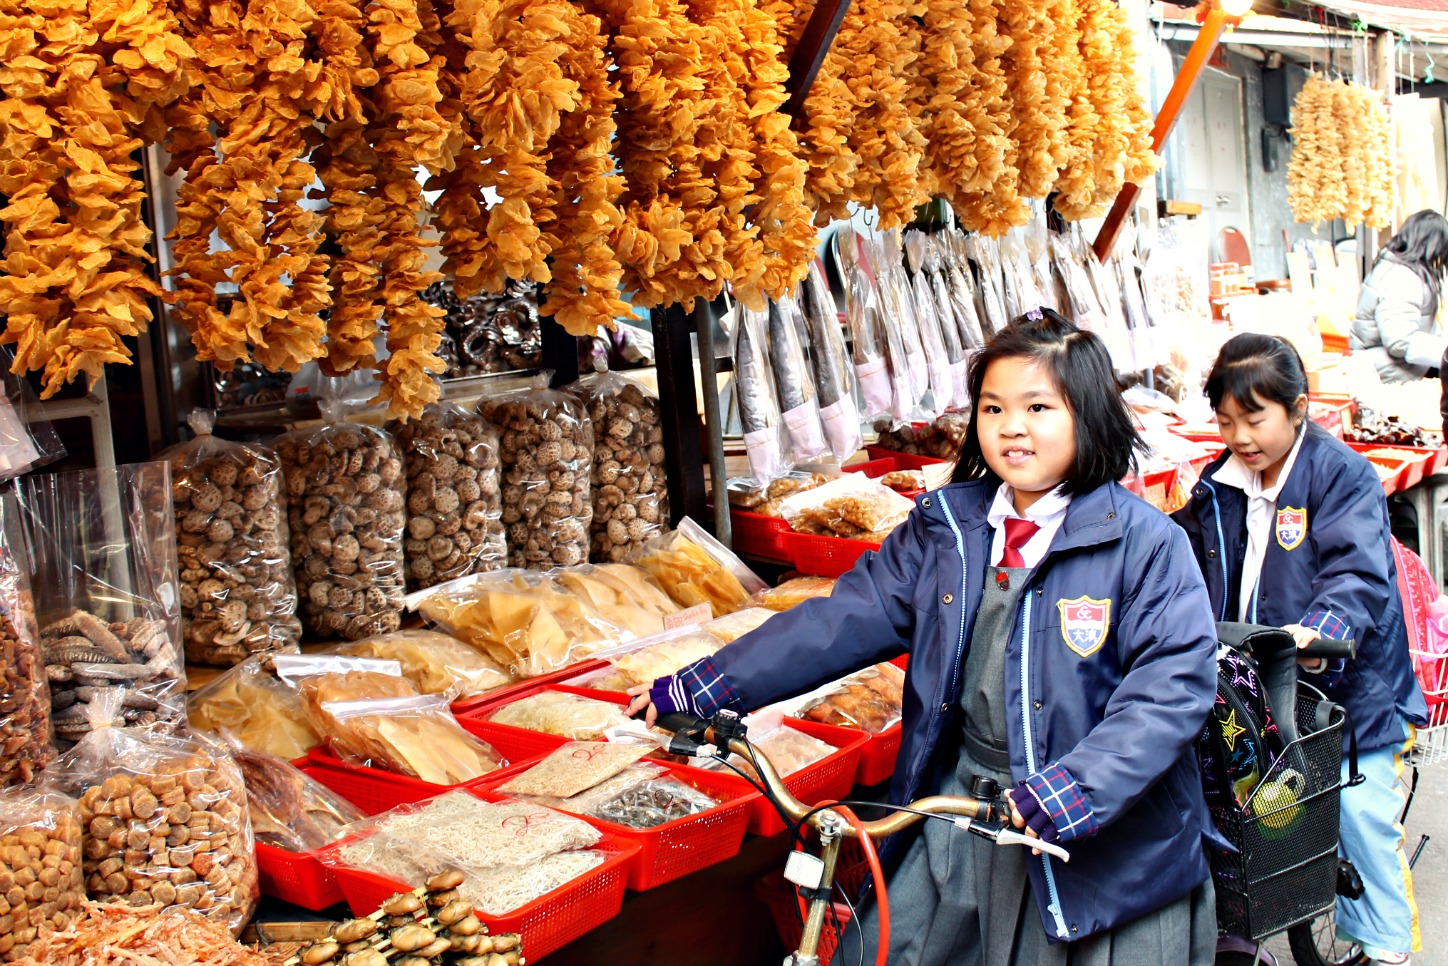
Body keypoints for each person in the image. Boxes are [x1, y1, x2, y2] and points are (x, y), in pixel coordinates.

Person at [630, 310, 1221, 965]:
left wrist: (1074, 789)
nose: (1011, 428)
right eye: (993, 408)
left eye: (1037, 407)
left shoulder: (1145, 544)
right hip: (964, 805)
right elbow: (840, 620)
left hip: (1091, 830)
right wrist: (710, 686)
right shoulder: (949, 529)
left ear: (1088, 415)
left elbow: (1170, 689)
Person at [1173, 333, 1429, 966]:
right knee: (1256, 816)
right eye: (1226, 421)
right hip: (1256, 686)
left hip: (1347, 690)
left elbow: (1357, 574)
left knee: (1361, 818)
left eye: (1254, 418)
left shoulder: (1341, 475)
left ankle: (1388, 944)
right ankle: (1242, 930)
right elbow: (1181, 553)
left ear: (1298, 408)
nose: (1239, 436)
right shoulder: (1218, 485)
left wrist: (1321, 630)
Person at [1351, 209, 1448, 384]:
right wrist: (1443, 353)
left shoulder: (1401, 269)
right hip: (1390, 375)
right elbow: (1399, 341)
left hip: (1394, 369)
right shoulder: (1401, 277)